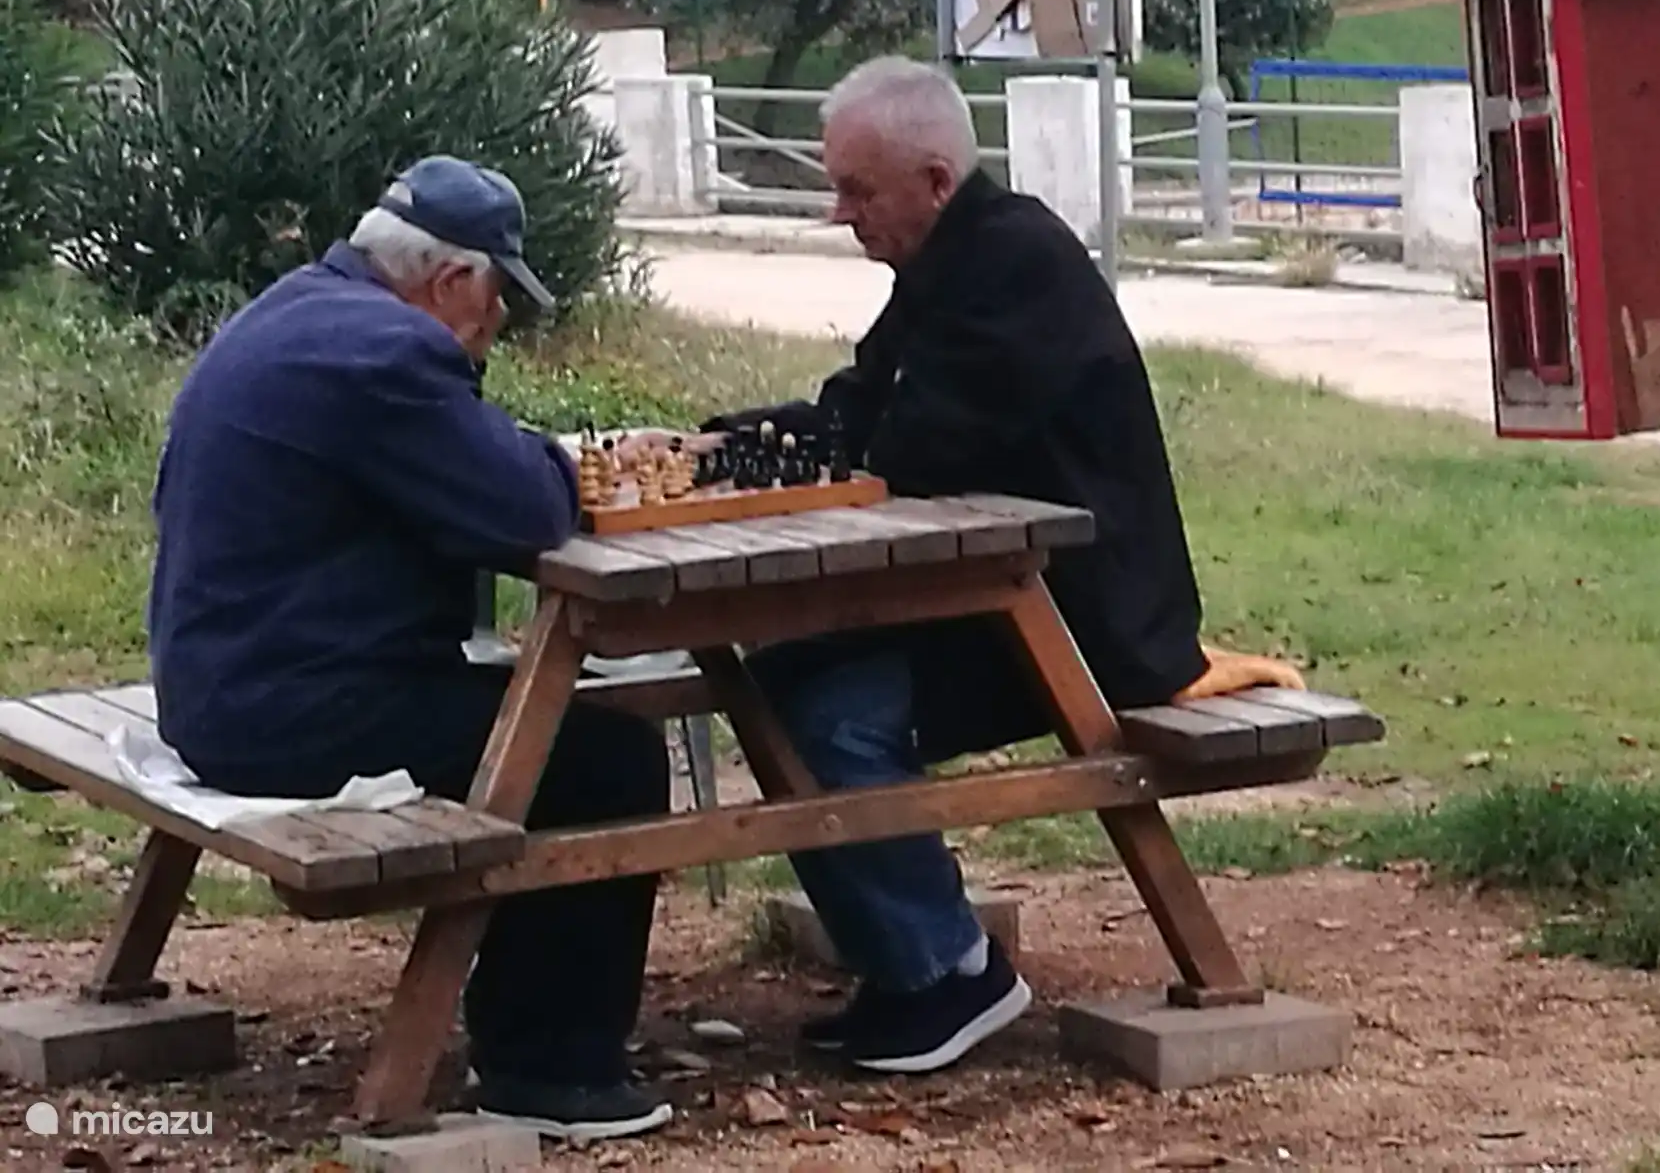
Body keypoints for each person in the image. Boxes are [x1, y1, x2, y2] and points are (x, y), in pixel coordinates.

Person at [703, 57, 1213, 1075]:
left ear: (934, 180)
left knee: (830, 711)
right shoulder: (951, 262)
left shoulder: (1015, 263)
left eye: (857, 189)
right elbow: (859, 406)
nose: (838, 213)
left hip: (1091, 620)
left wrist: (808, 451)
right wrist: (734, 442)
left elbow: (912, 450)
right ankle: (914, 963)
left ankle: (950, 971)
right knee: (784, 681)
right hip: (1003, 603)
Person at [146, 156, 674, 1141]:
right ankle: (551, 1069)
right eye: (500, 297)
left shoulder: (302, 309)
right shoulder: (388, 353)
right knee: (604, 757)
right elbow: (527, 510)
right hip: (288, 711)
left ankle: (532, 1031)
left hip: (230, 678)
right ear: (452, 282)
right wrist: (545, 453)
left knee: (541, 721)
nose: (500, 323)